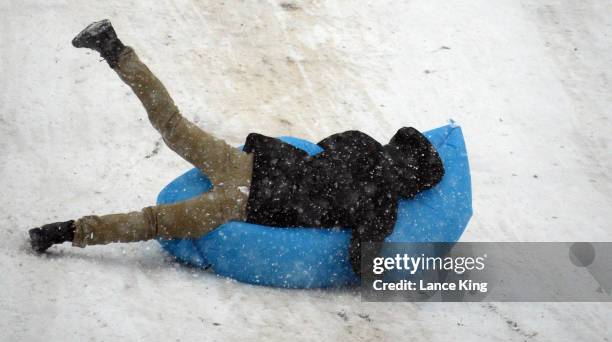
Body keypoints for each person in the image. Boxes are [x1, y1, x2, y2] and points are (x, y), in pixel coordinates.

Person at [29, 20, 444, 274]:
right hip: (243, 202)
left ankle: (114, 49)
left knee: (171, 123)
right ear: (413, 184)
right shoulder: (384, 205)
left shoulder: (362, 144)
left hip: (247, 163)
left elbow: (320, 146)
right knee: (153, 221)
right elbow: (360, 262)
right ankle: (64, 231)